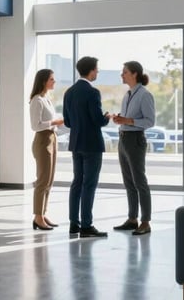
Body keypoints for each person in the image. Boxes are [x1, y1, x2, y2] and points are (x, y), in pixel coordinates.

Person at [63, 56, 111, 238]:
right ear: (91, 70)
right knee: (89, 184)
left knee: (77, 183)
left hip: (75, 143)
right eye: (97, 69)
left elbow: (67, 121)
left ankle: (73, 224)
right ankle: (86, 226)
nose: (97, 72)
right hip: (92, 145)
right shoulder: (93, 92)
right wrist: (106, 117)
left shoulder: (69, 92)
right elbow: (98, 120)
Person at [112, 61, 155, 236]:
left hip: (135, 140)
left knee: (140, 182)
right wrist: (120, 119)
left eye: (125, 72)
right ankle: (132, 219)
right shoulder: (128, 94)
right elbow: (129, 118)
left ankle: (145, 222)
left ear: (134, 74)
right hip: (123, 139)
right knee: (128, 182)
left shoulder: (145, 95)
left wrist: (128, 121)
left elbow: (150, 121)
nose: (122, 75)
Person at [29, 69, 64, 231]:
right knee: (42, 181)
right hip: (43, 140)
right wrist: (54, 122)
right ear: (43, 81)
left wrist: (54, 124)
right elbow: (35, 126)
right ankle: (37, 217)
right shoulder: (37, 100)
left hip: (52, 138)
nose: (54, 82)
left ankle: (42, 213)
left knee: (49, 181)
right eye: (51, 79)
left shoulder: (46, 99)